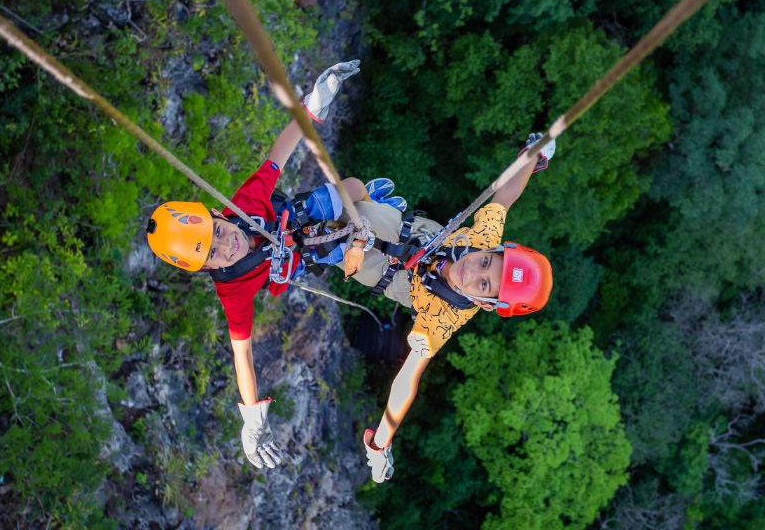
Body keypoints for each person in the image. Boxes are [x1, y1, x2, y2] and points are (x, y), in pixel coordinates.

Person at [145, 60, 404, 471]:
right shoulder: (232, 288)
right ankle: (364, 230)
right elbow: (242, 356)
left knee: (353, 189)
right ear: (205, 269)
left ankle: (370, 206)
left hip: (297, 216)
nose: (226, 244)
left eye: (217, 231)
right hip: (303, 255)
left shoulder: (244, 206)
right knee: (349, 250)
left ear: (216, 212)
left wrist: (311, 108)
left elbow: (278, 154)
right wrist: (251, 417)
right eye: (213, 253)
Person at [358, 134, 556, 484]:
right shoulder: (484, 238)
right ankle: (374, 208)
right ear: (492, 250)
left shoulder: (444, 318)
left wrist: (382, 443)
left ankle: (371, 214)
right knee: (356, 212)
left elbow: (408, 379)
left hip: (395, 278)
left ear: (485, 303)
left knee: (344, 248)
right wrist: (531, 158)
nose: (473, 270)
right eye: (485, 262)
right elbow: (506, 195)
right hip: (415, 236)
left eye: (483, 284)